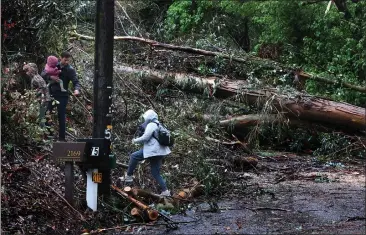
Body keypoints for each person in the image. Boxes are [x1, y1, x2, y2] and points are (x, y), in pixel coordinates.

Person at [121, 109, 171, 196]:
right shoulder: (160, 125)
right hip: (160, 151)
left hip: (153, 150)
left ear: (149, 117)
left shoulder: (151, 124)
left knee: (134, 156)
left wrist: (134, 140)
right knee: (156, 173)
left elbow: (145, 137)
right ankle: (166, 191)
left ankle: (128, 177)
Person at [41, 51, 81, 141]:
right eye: (65, 60)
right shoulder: (54, 65)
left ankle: (62, 138)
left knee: (61, 116)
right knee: (46, 114)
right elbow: (43, 74)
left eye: (68, 61)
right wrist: (50, 77)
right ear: (61, 58)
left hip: (62, 96)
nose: (67, 62)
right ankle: (49, 135)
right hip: (51, 94)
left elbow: (76, 81)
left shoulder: (70, 69)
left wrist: (77, 89)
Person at [23, 62, 50, 128]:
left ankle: (44, 135)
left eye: (28, 70)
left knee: (41, 118)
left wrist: (35, 95)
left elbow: (43, 89)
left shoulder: (36, 78)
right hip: (42, 100)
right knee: (43, 118)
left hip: (43, 100)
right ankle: (46, 134)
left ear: (32, 69)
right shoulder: (35, 77)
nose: (27, 72)